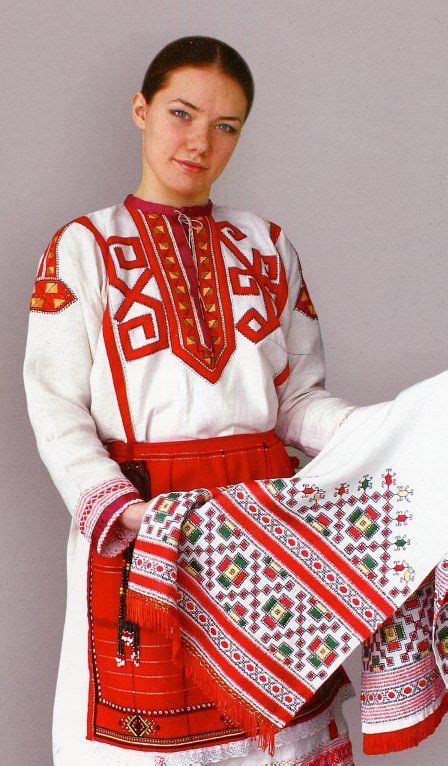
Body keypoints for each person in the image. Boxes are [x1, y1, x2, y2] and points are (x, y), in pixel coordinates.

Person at [23, 36, 360, 766]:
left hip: (264, 526)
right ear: (141, 110)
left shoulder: (267, 245)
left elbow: (298, 399)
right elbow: (56, 407)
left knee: (275, 735)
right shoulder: (81, 246)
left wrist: (380, 433)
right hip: (147, 525)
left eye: (227, 125)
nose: (200, 141)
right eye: (182, 112)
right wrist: (122, 512)